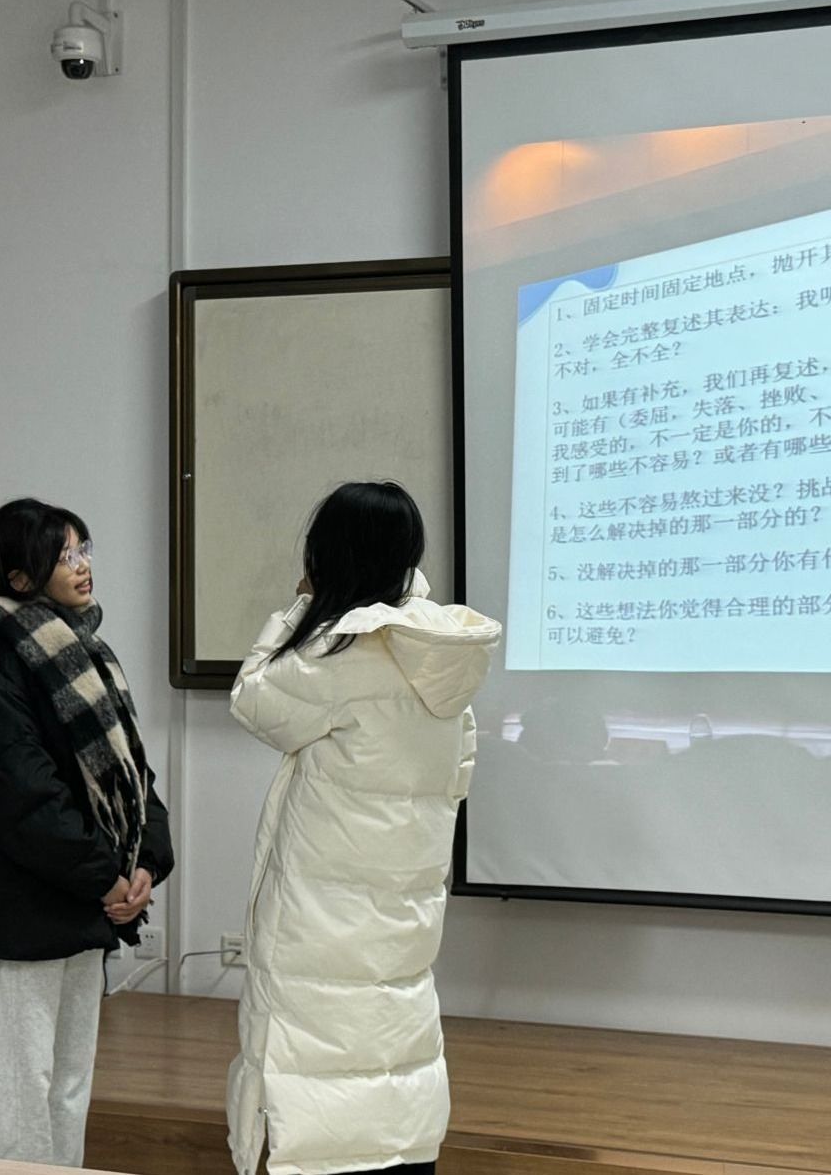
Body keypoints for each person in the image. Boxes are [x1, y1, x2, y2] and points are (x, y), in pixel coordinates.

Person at [225, 482, 502, 1175]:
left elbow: (253, 699)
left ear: (329, 557)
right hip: (403, 910)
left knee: (312, 1068)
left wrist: (299, 606)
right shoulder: (439, 662)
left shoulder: (343, 655)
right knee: (389, 1043)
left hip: (321, 917)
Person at [0, 499, 174, 1168]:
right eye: (65, 556)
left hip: (77, 907)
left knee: (67, 1091)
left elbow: (133, 777)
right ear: (19, 579)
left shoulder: (84, 655)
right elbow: (26, 801)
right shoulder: (2, 667)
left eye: (83, 549)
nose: (82, 565)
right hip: (20, 915)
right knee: (14, 1095)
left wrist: (146, 861)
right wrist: (107, 879)